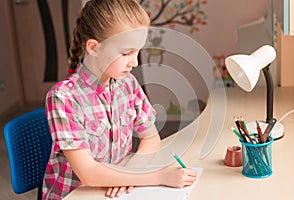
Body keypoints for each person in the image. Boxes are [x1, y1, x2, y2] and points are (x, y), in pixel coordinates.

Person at [42, 0, 197, 199]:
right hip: (77, 194)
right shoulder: (63, 97)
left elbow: (150, 138)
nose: (134, 62)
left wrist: (127, 175)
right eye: (126, 53)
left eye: (138, 51)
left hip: (114, 191)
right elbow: (88, 173)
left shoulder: (128, 84)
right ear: (94, 47)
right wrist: (158, 176)